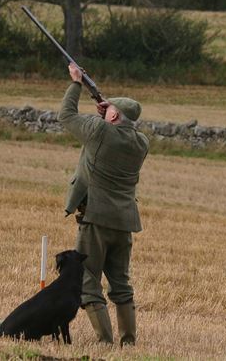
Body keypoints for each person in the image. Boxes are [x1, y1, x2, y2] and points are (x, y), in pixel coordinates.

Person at [59, 63, 149, 346]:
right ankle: (129, 342)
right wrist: (107, 109)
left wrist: (76, 83)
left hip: (96, 219)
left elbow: (66, 116)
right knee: (121, 284)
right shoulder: (141, 143)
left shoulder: (99, 131)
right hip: (124, 223)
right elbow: (119, 127)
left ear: (113, 117)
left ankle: (104, 342)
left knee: (88, 281)